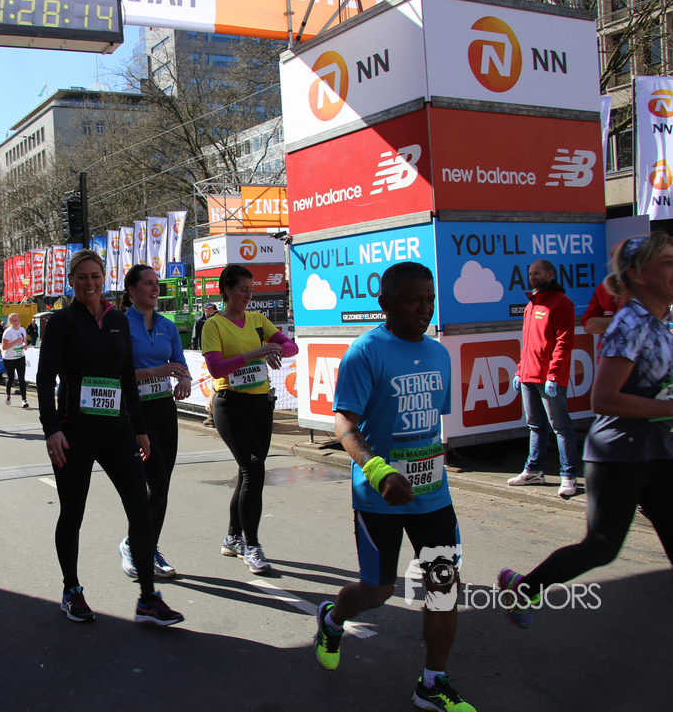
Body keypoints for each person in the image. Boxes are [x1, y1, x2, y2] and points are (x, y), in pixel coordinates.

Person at [315, 261, 475, 712]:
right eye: (413, 300)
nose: (424, 309)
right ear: (385, 303)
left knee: (443, 587)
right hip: (379, 496)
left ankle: (432, 683)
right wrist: (379, 470)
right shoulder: (365, 352)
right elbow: (344, 422)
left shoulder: (439, 354)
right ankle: (333, 618)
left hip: (433, 495)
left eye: (430, 300)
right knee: (378, 591)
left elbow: (428, 424)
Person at [498, 234, 673, 629]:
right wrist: (668, 408)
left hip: (658, 450)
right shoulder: (630, 323)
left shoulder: (659, 322)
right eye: (666, 262)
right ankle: (522, 587)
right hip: (620, 456)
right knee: (601, 547)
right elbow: (604, 399)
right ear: (637, 274)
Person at [37, 249, 184, 627]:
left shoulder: (117, 321)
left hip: (117, 430)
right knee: (73, 513)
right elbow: (45, 378)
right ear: (72, 281)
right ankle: (71, 589)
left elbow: (126, 379)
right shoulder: (61, 322)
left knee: (140, 509)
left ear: (105, 279)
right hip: (74, 432)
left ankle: (148, 598)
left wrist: (140, 428)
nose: (90, 283)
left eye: (96, 276)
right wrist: (51, 430)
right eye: (82, 276)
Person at [201, 264, 297, 575]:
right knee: (254, 471)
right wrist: (255, 353)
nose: (248, 296)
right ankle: (251, 545)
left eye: (251, 291)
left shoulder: (257, 320)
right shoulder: (214, 324)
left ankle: (232, 537)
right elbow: (216, 368)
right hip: (231, 405)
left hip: (260, 405)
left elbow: (291, 345)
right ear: (227, 289)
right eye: (243, 290)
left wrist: (276, 348)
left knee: (248, 474)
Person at [118, 264, 192, 580]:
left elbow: (180, 363)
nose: (154, 288)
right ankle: (135, 545)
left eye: (156, 283)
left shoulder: (167, 326)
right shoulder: (120, 324)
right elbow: (116, 373)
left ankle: (147, 546)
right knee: (155, 484)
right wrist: (154, 371)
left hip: (164, 409)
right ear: (132, 290)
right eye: (147, 283)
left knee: (163, 485)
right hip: (135, 412)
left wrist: (184, 378)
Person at [507, 259, 580, 498]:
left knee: (561, 427)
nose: (533, 276)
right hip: (528, 375)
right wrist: (520, 370)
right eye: (530, 273)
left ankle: (569, 476)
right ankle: (534, 471)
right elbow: (528, 343)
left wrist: (554, 375)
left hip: (550, 378)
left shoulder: (562, 303)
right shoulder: (531, 304)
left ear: (550, 274)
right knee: (535, 426)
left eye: (537, 273)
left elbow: (564, 342)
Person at [1, 312, 30, 408]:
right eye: (13, 320)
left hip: (20, 357)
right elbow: (4, 347)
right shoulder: (8, 332)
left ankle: (24, 400)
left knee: (21, 378)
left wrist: (24, 345)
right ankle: (8, 394)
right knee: (10, 379)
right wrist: (15, 342)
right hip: (9, 358)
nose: (16, 322)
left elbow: (24, 341)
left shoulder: (22, 330)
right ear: (10, 322)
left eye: (17, 320)